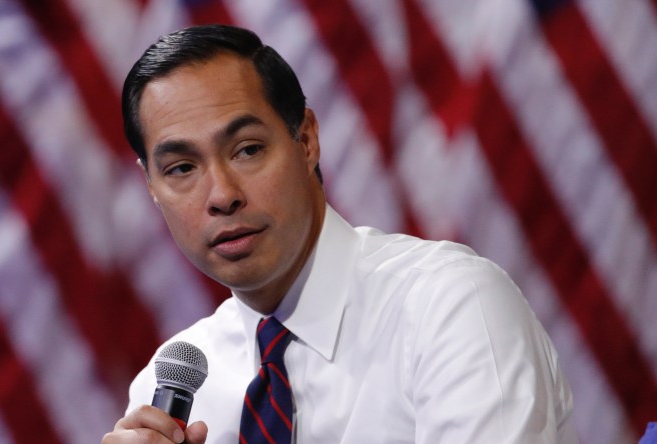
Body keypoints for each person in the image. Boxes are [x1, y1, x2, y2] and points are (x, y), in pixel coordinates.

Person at [102, 24, 577, 444]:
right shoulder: (169, 394)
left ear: (306, 139)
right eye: (182, 167)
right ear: (151, 187)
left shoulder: (449, 307)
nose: (222, 195)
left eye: (247, 150)